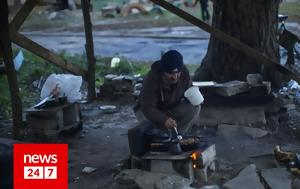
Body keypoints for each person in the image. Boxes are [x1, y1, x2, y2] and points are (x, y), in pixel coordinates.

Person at [128, 50, 202, 155]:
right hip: (148, 110)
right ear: (163, 71)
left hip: (171, 108)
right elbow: (148, 107)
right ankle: (160, 137)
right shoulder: (152, 79)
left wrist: (195, 96)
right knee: (149, 129)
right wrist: (164, 119)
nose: (175, 77)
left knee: (195, 106)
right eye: (171, 73)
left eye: (177, 73)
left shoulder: (184, 73)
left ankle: (177, 137)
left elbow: (189, 90)